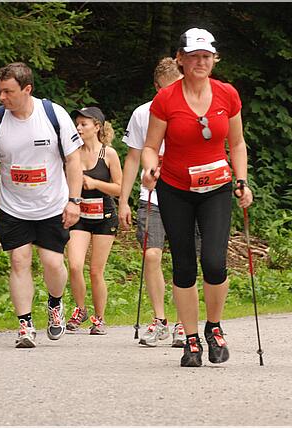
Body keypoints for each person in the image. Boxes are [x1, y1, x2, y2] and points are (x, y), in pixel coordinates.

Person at [141, 28, 253, 367]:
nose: (200, 62)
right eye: (193, 57)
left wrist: (242, 179)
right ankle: (191, 338)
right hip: (175, 188)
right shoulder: (166, 99)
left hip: (216, 187)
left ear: (214, 59)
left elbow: (236, 143)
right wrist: (149, 169)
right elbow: (150, 147)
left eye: (206, 56)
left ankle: (214, 327)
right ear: (181, 59)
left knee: (216, 263)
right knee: (185, 265)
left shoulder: (227, 94)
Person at [0, 62, 83, 348]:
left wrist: (74, 200)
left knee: (53, 263)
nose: (1, 97)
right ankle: (25, 325)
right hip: (13, 207)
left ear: (27, 89)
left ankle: (55, 304)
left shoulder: (53, 115)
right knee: (19, 261)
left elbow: (73, 160)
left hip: (51, 206)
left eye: (8, 92)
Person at [119, 57, 187, 348]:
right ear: (157, 88)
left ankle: (185, 322)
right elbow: (133, 157)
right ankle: (160, 320)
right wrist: (123, 200)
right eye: (165, 90)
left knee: (186, 261)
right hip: (153, 197)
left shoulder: (193, 109)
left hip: (187, 195)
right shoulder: (143, 114)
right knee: (152, 255)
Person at [65, 107, 122, 335]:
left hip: (104, 217)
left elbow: (119, 188)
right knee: (75, 265)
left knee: (96, 270)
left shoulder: (109, 154)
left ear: (97, 127)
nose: (78, 128)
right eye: (77, 124)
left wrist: (96, 184)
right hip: (79, 215)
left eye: (83, 124)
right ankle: (80, 309)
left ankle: (99, 318)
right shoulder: (72, 153)